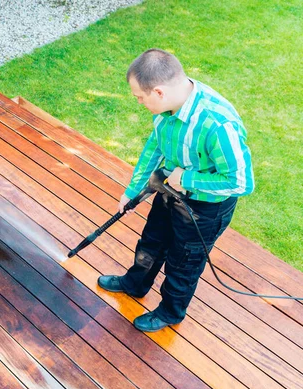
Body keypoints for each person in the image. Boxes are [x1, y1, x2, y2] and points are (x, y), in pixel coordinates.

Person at [97, 49, 255, 332]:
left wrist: (188, 180)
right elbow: (155, 148)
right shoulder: (167, 108)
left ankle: (170, 312)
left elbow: (241, 182)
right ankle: (135, 284)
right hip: (170, 190)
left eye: (139, 98)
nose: (139, 103)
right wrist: (133, 189)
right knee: (152, 242)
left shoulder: (217, 124)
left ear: (158, 92)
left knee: (184, 262)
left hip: (206, 208)